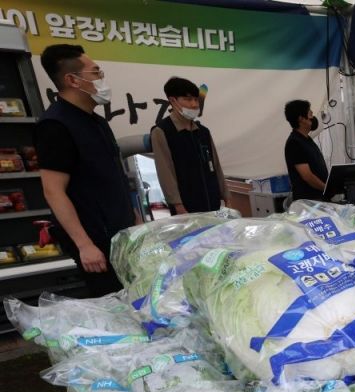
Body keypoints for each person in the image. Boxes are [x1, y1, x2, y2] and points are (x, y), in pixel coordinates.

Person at [35, 44, 138, 297]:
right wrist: (84, 245)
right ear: (73, 80)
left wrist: (134, 217)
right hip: (97, 240)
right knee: (113, 304)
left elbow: (113, 176)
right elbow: (53, 191)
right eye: (96, 73)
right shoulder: (55, 125)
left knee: (137, 297)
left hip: (122, 232)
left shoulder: (97, 121)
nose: (101, 78)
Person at [151, 77, 228, 214]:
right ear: (173, 100)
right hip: (186, 208)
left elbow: (216, 166)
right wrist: (178, 205)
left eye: (196, 99)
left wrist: (227, 197)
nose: (194, 104)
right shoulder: (162, 131)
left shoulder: (203, 132)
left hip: (213, 203)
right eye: (188, 99)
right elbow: (166, 173)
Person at [284, 99, 328, 201]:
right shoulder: (294, 143)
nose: (313, 116)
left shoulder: (306, 139)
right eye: (310, 113)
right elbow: (307, 176)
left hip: (318, 198)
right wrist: (327, 189)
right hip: (308, 202)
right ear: (301, 119)